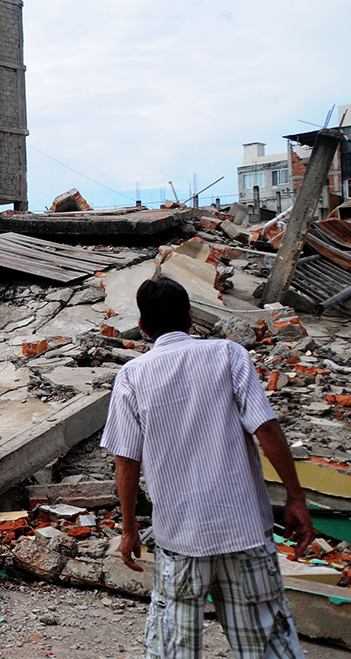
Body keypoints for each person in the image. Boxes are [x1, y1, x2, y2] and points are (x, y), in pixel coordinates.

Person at [101, 277, 314, 659]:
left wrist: (130, 529)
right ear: (190, 317)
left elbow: (126, 461)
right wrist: (296, 497)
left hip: (181, 538)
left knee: (174, 647)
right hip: (244, 529)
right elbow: (266, 428)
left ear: (144, 326)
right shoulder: (229, 355)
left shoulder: (132, 376)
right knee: (267, 644)